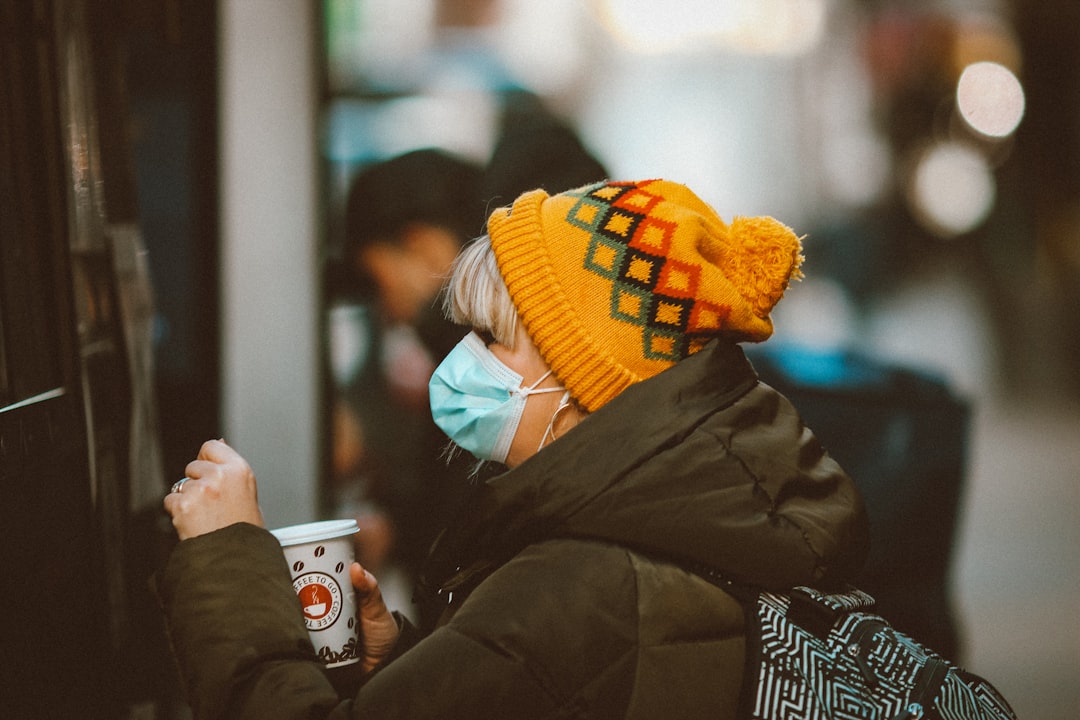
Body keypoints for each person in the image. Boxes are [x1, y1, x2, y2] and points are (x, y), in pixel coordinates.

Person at [159, 178, 869, 719]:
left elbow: (553, 646)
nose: (462, 363)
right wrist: (408, 659)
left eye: (494, 339)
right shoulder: (705, 509)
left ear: (585, 375)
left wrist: (225, 557)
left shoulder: (579, 585)